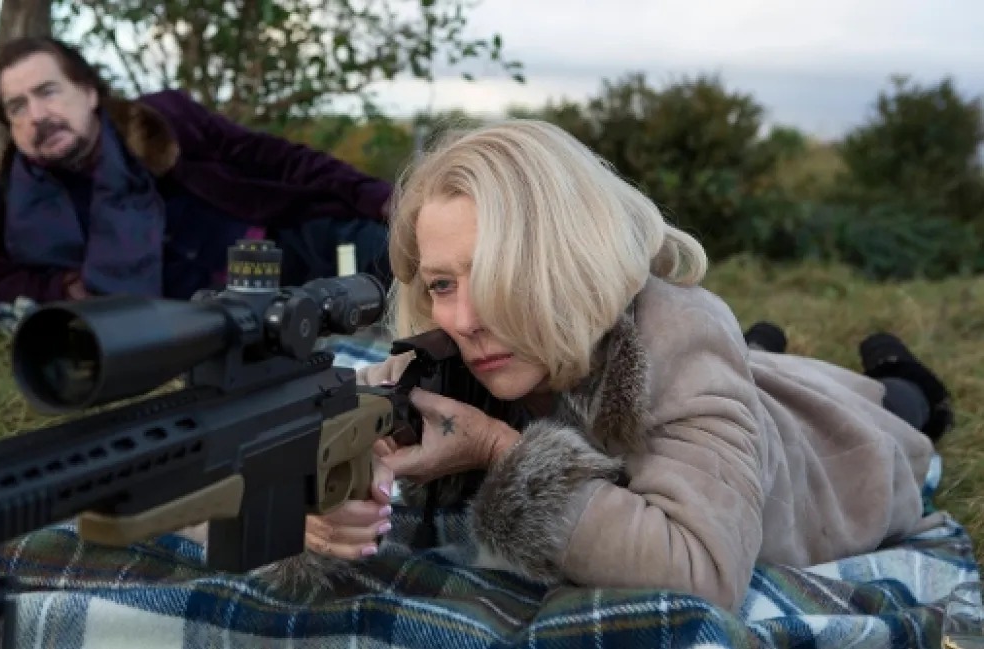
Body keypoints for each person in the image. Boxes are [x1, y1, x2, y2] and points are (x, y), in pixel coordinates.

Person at [286, 119, 955, 614]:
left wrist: (497, 450)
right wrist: (315, 508)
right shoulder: (443, 345)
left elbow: (703, 572)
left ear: (570, 261)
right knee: (756, 358)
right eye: (441, 284)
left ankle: (893, 364)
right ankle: (760, 345)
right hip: (732, 379)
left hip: (821, 452)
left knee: (894, 403)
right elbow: (326, 430)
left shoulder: (679, 334)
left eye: (499, 275)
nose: (464, 319)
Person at [0, 37, 394, 306]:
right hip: (197, 317)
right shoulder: (11, 199)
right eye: (17, 107)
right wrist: (65, 287)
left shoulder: (161, 120)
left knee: (399, 261)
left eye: (47, 92)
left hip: (281, 251)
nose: (37, 116)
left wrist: (378, 197)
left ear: (87, 92)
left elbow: (276, 159)